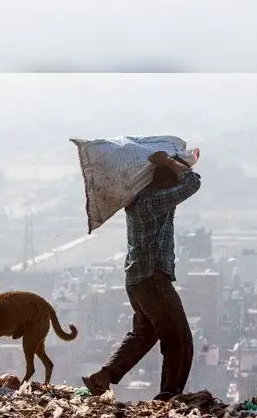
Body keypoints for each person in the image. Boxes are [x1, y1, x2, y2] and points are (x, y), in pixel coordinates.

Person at [82, 150, 202, 401]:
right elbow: (193, 182)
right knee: (179, 339)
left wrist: (174, 163)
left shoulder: (141, 199)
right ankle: (169, 395)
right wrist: (169, 162)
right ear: (165, 180)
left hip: (138, 280)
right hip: (151, 279)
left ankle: (102, 377)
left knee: (145, 334)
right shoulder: (153, 202)